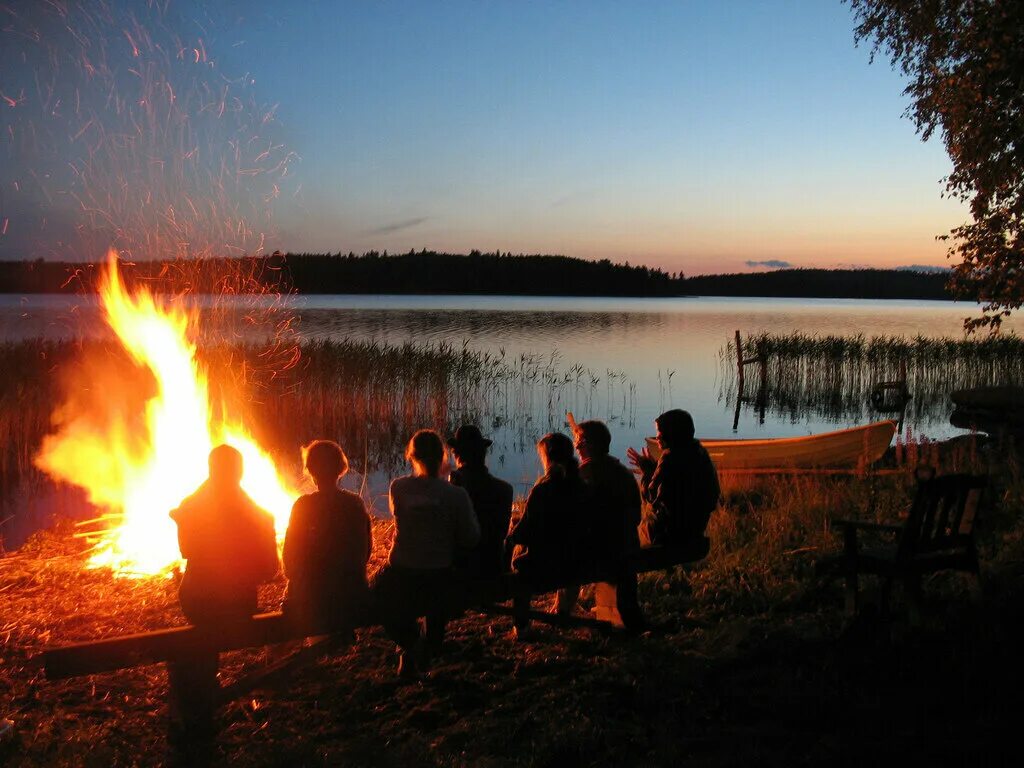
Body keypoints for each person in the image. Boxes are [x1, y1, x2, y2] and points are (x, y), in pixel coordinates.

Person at [167, 444, 279, 767]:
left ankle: (199, 701)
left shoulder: (192, 506)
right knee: (209, 629)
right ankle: (203, 694)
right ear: (240, 472)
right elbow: (269, 569)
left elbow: (186, 549)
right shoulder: (257, 514)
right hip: (239, 604)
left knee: (201, 632)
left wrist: (182, 518)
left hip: (198, 602)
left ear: (210, 471)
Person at [371, 430, 480, 678]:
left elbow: (403, 519)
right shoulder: (456, 494)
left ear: (411, 456)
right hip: (439, 572)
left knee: (378, 591)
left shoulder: (398, 487)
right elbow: (471, 538)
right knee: (436, 596)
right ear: (443, 457)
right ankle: (425, 646)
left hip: (402, 570)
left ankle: (412, 645)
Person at [283, 439, 372, 631]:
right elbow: (365, 552)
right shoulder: (355, 504)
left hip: (313, 600)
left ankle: (317, 641)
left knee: (291, 591)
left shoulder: (302, 506)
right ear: (340, 470)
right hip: (352, 593)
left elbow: (289, 560)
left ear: (311, 472)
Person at [506, 432, 588, 636]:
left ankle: (522, 625)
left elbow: (523, 534)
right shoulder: (581, 486)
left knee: (518, 561)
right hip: (577, 560)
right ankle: (564, 610)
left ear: (548, 457)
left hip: (545, 564)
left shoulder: (543, 489)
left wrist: (511, 534)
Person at [573, 419, 646, 630]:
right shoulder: (623, 472)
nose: (576, 447)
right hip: (627, 546)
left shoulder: (584, 475)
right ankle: (626, 614)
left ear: (588, 444)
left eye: (578, 442)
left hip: (603, 553)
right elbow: (636, 517)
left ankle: (563, 607)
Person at [627, 409, 720, 550]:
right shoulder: (699, 452)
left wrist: (646, 473)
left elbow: (651, 497)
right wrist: (654, 470)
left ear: (671, 434)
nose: (657, 437)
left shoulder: (670, 457)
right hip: (695, 531)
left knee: (628, 531)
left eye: (659, 432)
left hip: (669, 537)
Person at [447, 424, 514, 583]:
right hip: (493, 568)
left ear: (456, 454)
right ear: (483, 454)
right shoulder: (505, 489)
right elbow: (501, 533)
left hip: (461, 570)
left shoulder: (454, 488)